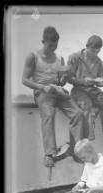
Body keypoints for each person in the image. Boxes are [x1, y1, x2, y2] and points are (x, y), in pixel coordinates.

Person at [22, 26, 84, 167]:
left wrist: (66, 76)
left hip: (56, 91)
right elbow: (24, 80)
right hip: (42, 92)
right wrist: (42, 87)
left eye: (55, 46)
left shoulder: (59, 59)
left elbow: (60, 82)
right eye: (50, 45)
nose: (53, 49)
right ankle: (49, 154)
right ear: (43, 41)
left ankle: (76, 150)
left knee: (78, 113)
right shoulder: (33, 56)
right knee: (49, 114)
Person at [68, 35, 103, 146]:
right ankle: (87, 141)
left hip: (93, 90)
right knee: (86, 105)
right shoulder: (75, 57)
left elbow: (99, 80)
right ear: (87, 47)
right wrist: (83, 81)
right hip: (78, 90)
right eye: (93, 50)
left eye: (98, 51)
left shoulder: (99, 61)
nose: (95, 53)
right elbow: (68, 78)